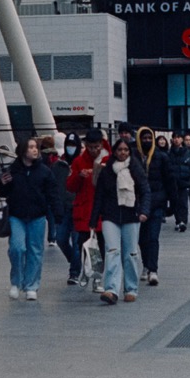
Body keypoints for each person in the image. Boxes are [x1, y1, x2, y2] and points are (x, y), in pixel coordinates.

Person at [0, 137, 62, 300]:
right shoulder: (13, 170)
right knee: (17, 248)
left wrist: (57, 212)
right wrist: (2, 184)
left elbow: (52, 193)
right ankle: (16, 281)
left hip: (37, 216)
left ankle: (31, 285)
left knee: (35, 251)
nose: (35, 150)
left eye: (36, 147)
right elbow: (3, 193)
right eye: (31, 147)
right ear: (23, 150)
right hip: (16, 215)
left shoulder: (44, 171)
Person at [88, 137, 150, 304]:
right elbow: (99, 196)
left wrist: (144, 211)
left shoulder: (135, 169)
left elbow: (145, 191)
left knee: (130, 253)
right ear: (114, 152)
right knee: (112, 251)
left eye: (125, 150)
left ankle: (131, 289)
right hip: (111, 215)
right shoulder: (107, 172)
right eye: (119, 150)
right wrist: (93, 220)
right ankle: (111, 289)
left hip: (131, 216)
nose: (123, 153)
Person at [66, 126, 111, 267]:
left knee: (102, 244)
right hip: (85, 210)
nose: (93, 150)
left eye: (96, 147)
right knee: (86, 243)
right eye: (90, 147)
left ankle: (98, 273)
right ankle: (91, 270)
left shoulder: (109, 159)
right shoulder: (79, 162)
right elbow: (70, 186)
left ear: (101, 144)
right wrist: (79, 177)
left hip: (104, 209)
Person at [135, 127, 175, 285]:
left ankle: (153, 269)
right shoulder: (134, 156)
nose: (146, 141)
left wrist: (173, 203)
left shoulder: (161, 157)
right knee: (142, 239)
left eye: (149, 138)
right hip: (138, 205)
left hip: (157, 202)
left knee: (153, 237)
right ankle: (145, 265)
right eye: (143, 138)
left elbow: (170, 180)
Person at [52, 132, 82, 285]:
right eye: (69, 145)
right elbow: (53, 186)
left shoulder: (82, 163)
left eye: (73, 145)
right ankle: (75, 261)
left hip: (78, 208)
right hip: (63, 209)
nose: (71, 148)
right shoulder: (58, 165)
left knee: (77, 242)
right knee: (61, 239)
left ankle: (74, 272)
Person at [167, 131, 190, 231]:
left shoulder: (188, 153)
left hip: (184, 181)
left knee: (183, 202)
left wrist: (187, 175)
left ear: (181, 139)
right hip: (173, 182)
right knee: (175, 202)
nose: (176, 139)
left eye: (178, 137)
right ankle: (178, 220)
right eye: (174, 137)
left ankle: (183, 221)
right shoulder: (169, 153)